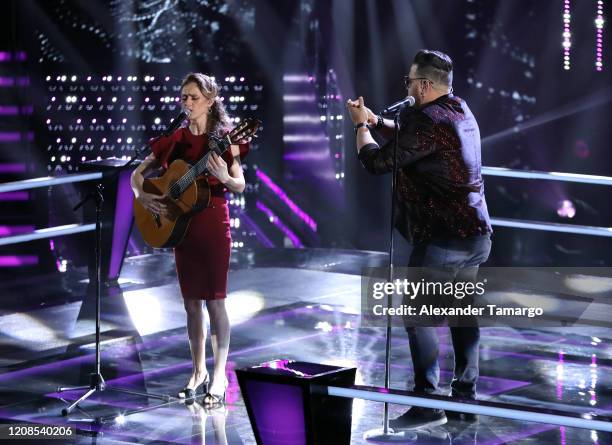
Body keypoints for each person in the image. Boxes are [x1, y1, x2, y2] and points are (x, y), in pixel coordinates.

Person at [347, 50, 492, 429]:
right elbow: (416, 140)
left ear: (424, 85)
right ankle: (465, 396)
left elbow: (378, 163)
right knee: (461, 315)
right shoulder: (458, 109)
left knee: (421, 317)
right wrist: (378, 119)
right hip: (474, 234)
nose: (407, 86)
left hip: (443, 237)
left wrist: (360, 128)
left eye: (410, 81)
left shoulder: (427, 120)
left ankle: (428, 403)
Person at [131, 72, 247, 407]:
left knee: (215, 301)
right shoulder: (176, 138)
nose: (187, 103)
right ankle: (198, 372)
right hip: (182, 226)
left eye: (194, 97)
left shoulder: (225, 137)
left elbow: (239, 183)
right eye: (184, 97)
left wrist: (225, 175)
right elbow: (137, 174)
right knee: (191, 302)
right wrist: (142, 195)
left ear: (211, 100)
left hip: (212, 222)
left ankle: (220, 373)